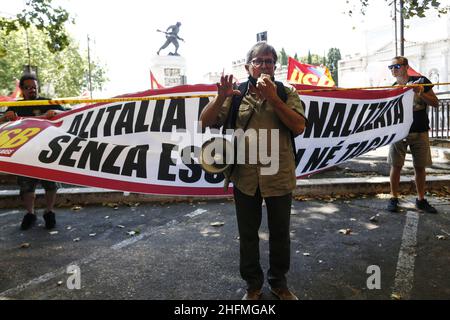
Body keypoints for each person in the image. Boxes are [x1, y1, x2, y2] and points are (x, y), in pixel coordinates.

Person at [200, 42, 307, 300]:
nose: (265, 65)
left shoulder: (286, 91)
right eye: (259, 60)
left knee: (280, 234)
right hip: (245, 177)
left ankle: (279, 284)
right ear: (249, 66)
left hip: (279, 175)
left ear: (275, 66)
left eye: (270, 61)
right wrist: (221, 97)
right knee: (248, 235)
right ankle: (253, 286)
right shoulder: (235, 94)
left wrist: (273, 99)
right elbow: (205, 121)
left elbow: (299, 126)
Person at [0, 73, 65, 230]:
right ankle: (30, 214)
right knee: (26, 188)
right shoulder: (16, 106)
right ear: (22, 89)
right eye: (28, 88)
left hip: (47, 152)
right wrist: (4, 118)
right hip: (24, 154)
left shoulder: (49, 102)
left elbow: (68, 115)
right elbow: (2, 123)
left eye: (34, 87)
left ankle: (49, 212)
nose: (32, 90)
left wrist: (56, 114)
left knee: (51, 185)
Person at [387, 56, 439, 213]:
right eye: (391, 67)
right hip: (399, 132)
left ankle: (421, 199)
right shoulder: (393, 88)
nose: (394, 70)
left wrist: (421, 92)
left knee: (420, 167)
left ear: (406, 66)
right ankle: (393, 197)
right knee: (396, 165)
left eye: (396, 66)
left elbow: (435, 103)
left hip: (420, 130)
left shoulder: (421, 80)